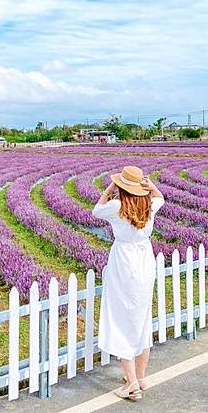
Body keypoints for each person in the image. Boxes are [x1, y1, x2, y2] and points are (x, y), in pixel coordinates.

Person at [92, 165, 165, 400]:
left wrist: (110, 188)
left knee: (122, 319)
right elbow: (159, 197)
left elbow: (96, 210)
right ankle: (141, 376)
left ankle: (132, 383)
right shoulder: (149, 205)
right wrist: (150, 186)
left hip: (123, 262)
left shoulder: (116, 206)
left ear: (122, 186)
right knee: (142, 317)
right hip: (145, 260)